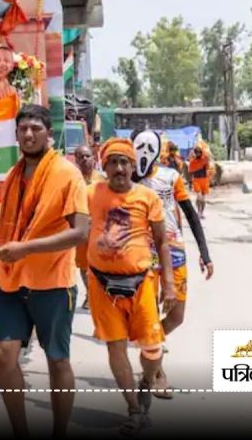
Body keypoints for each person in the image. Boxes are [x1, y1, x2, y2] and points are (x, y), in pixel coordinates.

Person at [0, 105, 90, 438]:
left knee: (57, 360)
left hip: (52, 281)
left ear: (49, 134)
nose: (29, 134)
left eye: (35, 128)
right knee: (4, 355)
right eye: (23, 129)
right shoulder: (13, 175)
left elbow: (80, 232)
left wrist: (25, 248)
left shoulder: (68, 173)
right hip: (11, 281)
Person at [86, 138, 176, 435]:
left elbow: (163, 241)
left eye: (125, 162)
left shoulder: (148, 198)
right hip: (101, 284)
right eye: (113, 162)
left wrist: (170, 284)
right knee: (116, 346)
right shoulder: (90, 193)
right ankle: (134, 410)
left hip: (141, 283)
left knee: (152, 347)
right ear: (105, 166)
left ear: (133, 166)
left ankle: (147, 382)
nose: (119, 168)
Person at [131, 130, 214, 398]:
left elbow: (189, 213)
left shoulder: (171, 176)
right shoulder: (128, 179)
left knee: (176, 316)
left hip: (173, 250)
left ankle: (149, 349)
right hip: (142, 253)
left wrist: (205, 252)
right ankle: (157, 373)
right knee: (150, 315)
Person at [73, 144, 103, 310]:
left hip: (100, 230)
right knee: (84, 265)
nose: (84, 160)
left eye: (87, 156)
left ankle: (99, 295)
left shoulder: (103, 180)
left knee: (99, 264)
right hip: (81, 230)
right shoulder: (74, 181)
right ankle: (90, 294)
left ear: (93, 158)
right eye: (80, 157)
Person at [187, 146, 210, 218]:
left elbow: (208, 166)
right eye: (197, 153)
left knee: (203, 199)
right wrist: (190, 182)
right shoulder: (192, 162)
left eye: (199, 153)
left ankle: (201, 212)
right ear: (195, 153)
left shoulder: (204, 160)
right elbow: (190, 172)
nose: (198, 154)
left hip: (205, 180)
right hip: (196, 180)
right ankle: (199, 211)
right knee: (199, 197)